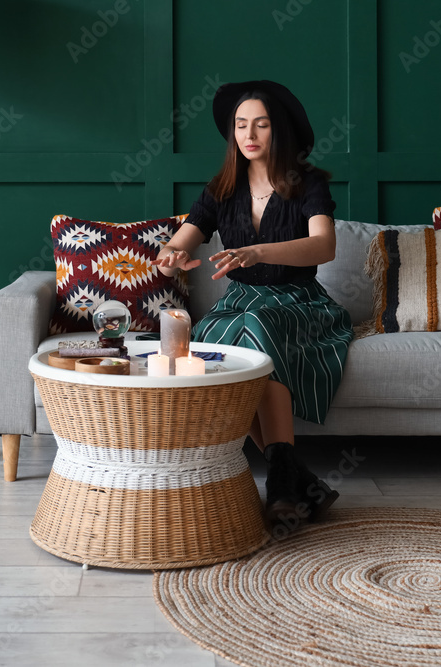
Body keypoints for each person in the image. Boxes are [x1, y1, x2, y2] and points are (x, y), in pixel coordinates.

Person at [152, 80, 354, 535]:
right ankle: (292, 479)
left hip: (299, 301)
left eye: (260, 124)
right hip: (240, 302)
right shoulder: (220, 189)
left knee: (257, 323)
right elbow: (177, 247)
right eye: (241, 125)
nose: (249, 133)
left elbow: (324, 246)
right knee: (216, 339)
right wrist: (171, 259)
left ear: (277, 130)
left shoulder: (309, 184)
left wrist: (260, 252)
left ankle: (282, 483)